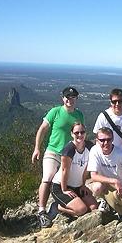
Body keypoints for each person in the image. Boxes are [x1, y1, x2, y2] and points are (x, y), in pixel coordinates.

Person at [32, 86, 84, 228]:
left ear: (76, 99)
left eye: (73, 97)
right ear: (63, 98)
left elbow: (80, 135)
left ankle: (60, 205)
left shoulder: (79, 115)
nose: (70, 100)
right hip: (53, 152)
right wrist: (37, 148)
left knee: (66, 181)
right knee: (48, 178)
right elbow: (42, 129)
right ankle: (42, 211)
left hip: (69, 155)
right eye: (67, 97)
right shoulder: (55, 112)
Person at [51, 122, 98, 218]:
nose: (80, 135)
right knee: (82, 210)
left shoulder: (89, 147)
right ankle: (59, 207)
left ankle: (74, 202)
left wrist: (83, 185)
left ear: (85, 133)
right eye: (76, 133)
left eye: (82, 132)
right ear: (72, 134)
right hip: (60, 186)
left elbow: (85, 169)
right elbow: (64, 170)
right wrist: (64, 189)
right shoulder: (69, 150)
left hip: (77, 186)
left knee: (94, 207)